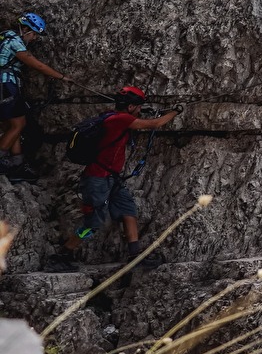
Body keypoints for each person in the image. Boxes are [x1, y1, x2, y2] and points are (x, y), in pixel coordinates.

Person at [45, 86, 179, 272]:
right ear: (131, 106)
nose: (139, 110)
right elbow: (154, 125)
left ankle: (135, 256)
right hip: (97, 179)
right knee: (92, 224)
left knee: (128, 210)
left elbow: (137, 121)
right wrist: (175, 111)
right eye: (138, 107)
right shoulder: (121, 119)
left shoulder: (112, 117)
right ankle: (63, 254)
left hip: (111, 178)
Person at [1, 13, 70, 182]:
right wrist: (61, 76)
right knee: (19, 123)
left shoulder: (3, 37)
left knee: (13, 124)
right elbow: (35, 63)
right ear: (25, 29)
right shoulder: (14, 41)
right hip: (5, 85)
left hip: (5, 86)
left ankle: (16, 162)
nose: (34, 38)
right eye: (33, 34)